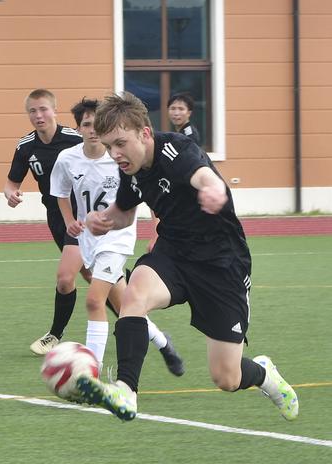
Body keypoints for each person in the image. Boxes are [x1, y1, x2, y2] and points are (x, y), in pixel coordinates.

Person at [78, 91, 298, 422]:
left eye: (121, 143)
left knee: (227, 377)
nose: (115, 154)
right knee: (134, 293)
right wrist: (105, 219)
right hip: (174, 252)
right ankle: (126, 389)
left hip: (221, 263)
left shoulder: (176, 149)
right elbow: (123, 211)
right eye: (109, 146)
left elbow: (202, 174)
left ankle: (265, 374)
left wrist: (214, 189)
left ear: (145, 133)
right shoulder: (131, 167)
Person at [50, 98, 184, 375]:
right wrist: (69, 222)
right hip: (89, 238)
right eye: (87, 125)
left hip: (117, 237)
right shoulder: (67, 159)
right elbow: (60, 193)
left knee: (93, 300)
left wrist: (156, 227)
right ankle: (163, 343)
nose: (93, 130)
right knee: (125, 306)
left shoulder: (121, 160)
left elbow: (146, 193)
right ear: (79, 129)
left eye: (97, 124)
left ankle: (90, 373)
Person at [2, 89, 86, 355]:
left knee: (65, 278)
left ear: (54, 110)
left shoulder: (75, 139)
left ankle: (54, 335)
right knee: (90, 274)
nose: (39, 115)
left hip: (82, 215)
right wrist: (10, 194)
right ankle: (135, 320)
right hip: (56, 217)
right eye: (33, 111)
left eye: (43, 109)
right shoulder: (26, 146)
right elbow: (11, 182)